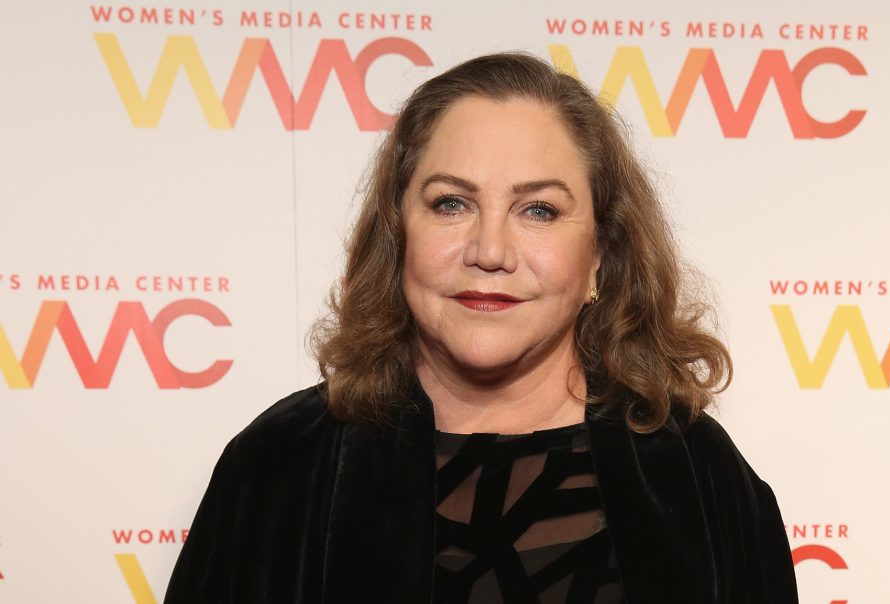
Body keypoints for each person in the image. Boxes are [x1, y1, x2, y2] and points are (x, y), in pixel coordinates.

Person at [165, 52, 799, 603]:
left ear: (599, 257)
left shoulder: (696, 475)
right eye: (451, 203)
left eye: (539, 210)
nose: (489, 249)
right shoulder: (281, 467)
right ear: (398, 235)